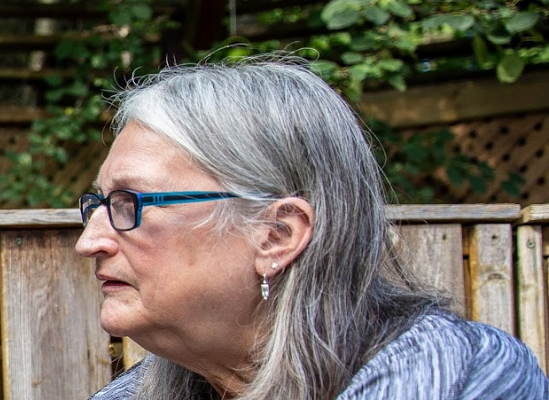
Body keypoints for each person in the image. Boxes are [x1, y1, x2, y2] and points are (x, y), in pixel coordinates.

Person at [77, 56, 547, 399]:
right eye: (97, 204)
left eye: (128, 203)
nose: (89, 241)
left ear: (277, 235)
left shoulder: (463, 378)